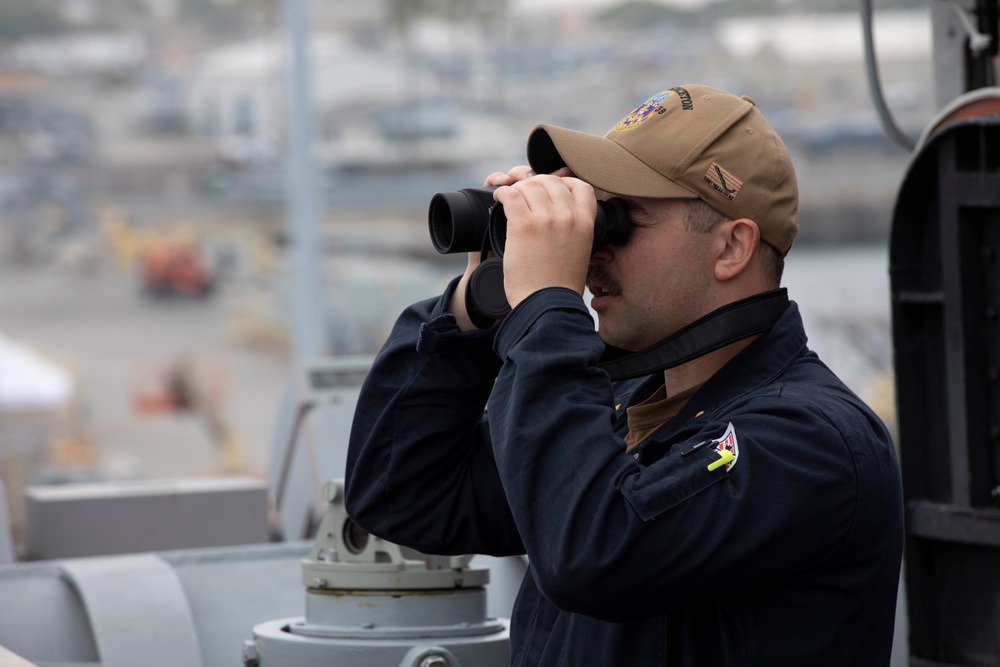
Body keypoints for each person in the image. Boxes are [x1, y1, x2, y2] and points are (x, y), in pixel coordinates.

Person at [345, 84, 904, 666]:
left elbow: (596, 550)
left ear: (731, 247)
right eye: (589, 215)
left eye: (617, 221)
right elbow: (400, 489)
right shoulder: (620, 409)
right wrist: (474, 310)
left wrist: (546, 307)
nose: (591, 252)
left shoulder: (812, 446)